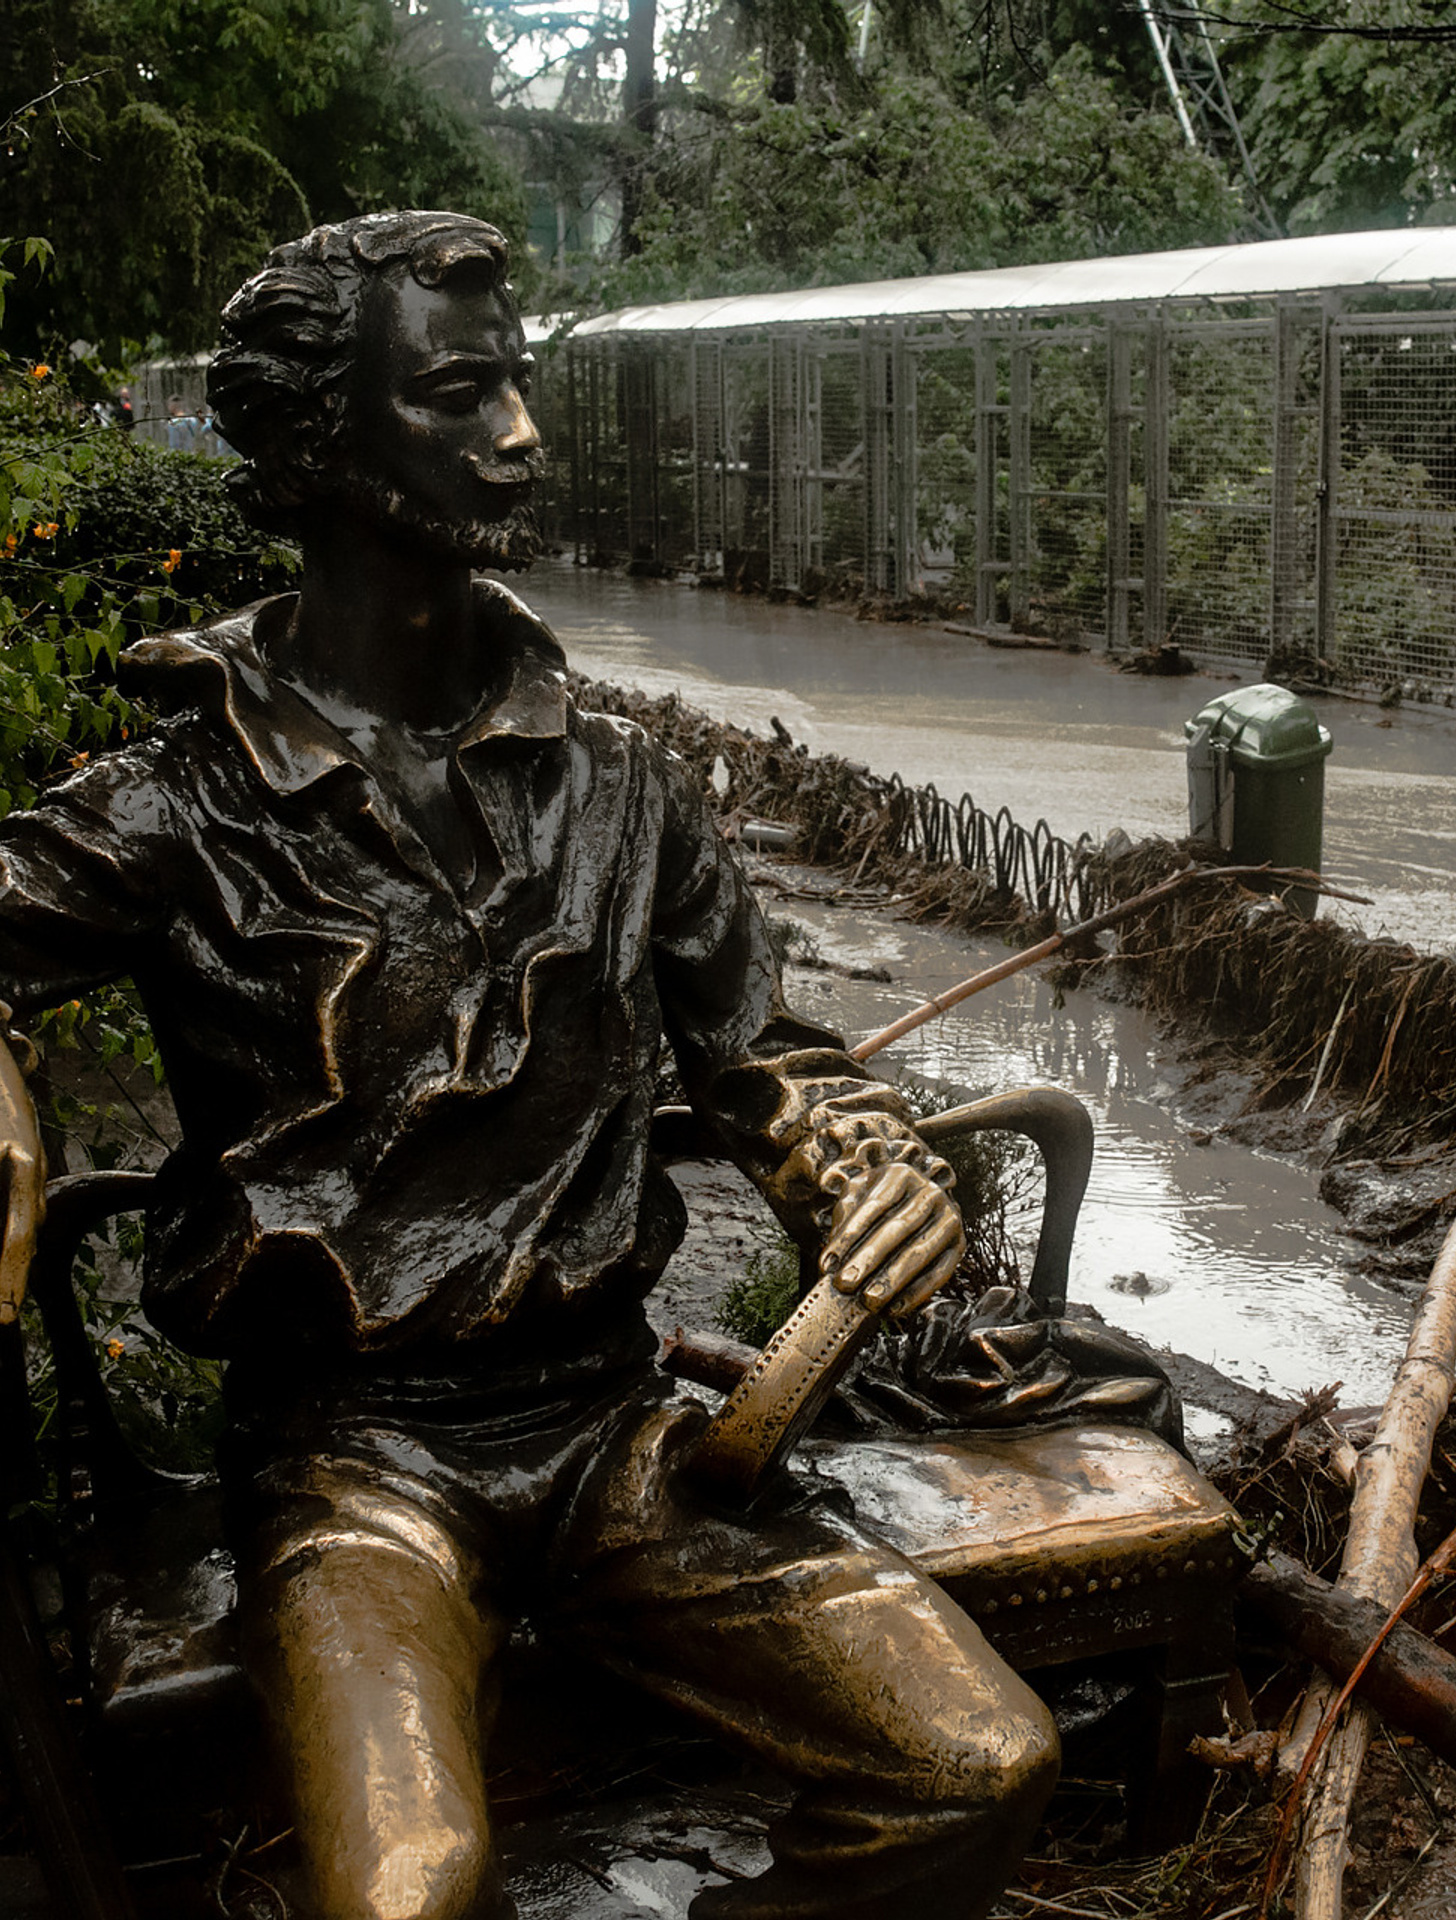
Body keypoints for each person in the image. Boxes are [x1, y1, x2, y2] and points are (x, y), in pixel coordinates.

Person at [0, 211, 1058, 1920]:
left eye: (519, 384)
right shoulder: (175, 804)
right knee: (407, 1892)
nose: (521, 436)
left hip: (618, 1430)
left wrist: (872, 1169)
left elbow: (773, 1064)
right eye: (457, 394)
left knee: (974, 1767)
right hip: (351, 1467)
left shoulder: (629, 786)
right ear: (313, 444)